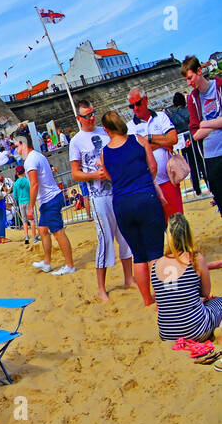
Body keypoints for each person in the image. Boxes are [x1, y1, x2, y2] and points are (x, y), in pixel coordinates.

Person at [69, 100, 134, 301]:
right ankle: (101, 288)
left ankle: (128, 278)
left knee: (125, 235)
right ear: (79, 118)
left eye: (93, 113)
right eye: (87, 115)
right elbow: (75, 173)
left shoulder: (105, 132)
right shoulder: (76, 141)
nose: (91, 118)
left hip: (117, 190)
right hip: (98, 196)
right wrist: (94, 176)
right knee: (104, 239)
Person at [101, 109, 165, 306]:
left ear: (106, 130)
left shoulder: (104, 153)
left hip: (122, 202)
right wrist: (145, 181)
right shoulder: (138, 140)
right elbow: (153, 167)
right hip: (145, 196)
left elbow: (110, 177)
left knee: (138, 255)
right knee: (155, 252)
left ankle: (147, 299)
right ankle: (162, 298)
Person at [149, 213, 222, 343]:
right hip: (195, 330)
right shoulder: (195, 259)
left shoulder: (155, 265)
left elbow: (161, 297)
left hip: (167, 332)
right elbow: (205, 292)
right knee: (219, 302)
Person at [17, 135, 75, 275]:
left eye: (17, 146)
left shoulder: (30, 160)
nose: (16, 149)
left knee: (58, 232)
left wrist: (31, 208)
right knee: (42, 230)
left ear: (24, 145)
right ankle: (47, 263)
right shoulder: (37, 155)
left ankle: (69, 265)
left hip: (50, 199)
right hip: (49, 199)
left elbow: (34, 184)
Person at [127, 86, 180, 219]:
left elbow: (173, 139)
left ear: (146, 100)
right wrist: (162, 142)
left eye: (138, 103)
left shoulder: (161, 117)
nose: (135, 108)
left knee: (178, 223)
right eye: (131, 106)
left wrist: (149, 138)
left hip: (169, 180)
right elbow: (135, 153)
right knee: (157, 226)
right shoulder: (129, 127)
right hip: (148, 185)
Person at [183, 55, 222, 206]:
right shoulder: (193, 98)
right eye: (187, 79)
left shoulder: (219, 87)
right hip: (211, 158)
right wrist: (216, 123)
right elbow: (195, 133)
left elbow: (200, 128)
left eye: (190, 77)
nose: (189, 83)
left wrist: (205, 123)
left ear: (199, 71)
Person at [11, 170, 33, 244]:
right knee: (31, 219)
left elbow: (14, 195)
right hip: (28, 200)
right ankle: (34, 236)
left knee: (24, 220)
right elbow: (31, 189)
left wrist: (18, 199)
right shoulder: (27, 180)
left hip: (21, 202)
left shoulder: (16, 183)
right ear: (23, 172)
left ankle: (26, 237)